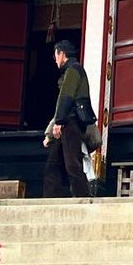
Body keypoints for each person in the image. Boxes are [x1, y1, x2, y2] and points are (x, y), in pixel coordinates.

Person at [41, 40, 94, 198]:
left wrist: (59, 122)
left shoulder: (73, 69)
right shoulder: (71, 70)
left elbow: (66, 97)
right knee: (53, 163)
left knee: (72, 164)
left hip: (70, 123)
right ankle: (50, 199)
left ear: (62, 54)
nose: (54, 58)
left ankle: (84, 197)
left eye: (56, 54)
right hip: (67, 122)